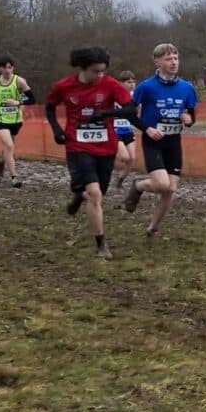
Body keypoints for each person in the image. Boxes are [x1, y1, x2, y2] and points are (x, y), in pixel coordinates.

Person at [44, 45, 135, 258]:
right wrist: (56, 130)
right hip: (77, 146)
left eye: (103, 70)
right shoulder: (64, 86)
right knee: (95, 194)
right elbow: (49, 107)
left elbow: (131, 108)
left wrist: (105, 113)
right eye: (96, 71)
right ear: (83, 68)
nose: (100, 75)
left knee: (98, 194)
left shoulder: (110, 84)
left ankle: (79, 195)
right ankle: (101, 244)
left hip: (106, 147)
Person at [122, 43, 200, 238]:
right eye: (168, 59)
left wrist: (189, 120)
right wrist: (147, 129)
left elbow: (191, 115)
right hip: (153, 142)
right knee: (162, 184)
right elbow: (129, 113)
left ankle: (153, 228)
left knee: (170, 189)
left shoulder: (187, 88)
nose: (174, 62)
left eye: (176, 58)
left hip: (173, 143)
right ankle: (138, 185)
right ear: (157, 62)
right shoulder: (146, 87)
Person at [0, 58, 29, 185]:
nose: (7, 70)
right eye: (4, 67)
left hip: (15, 119)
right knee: (9, 145)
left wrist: (18, 102)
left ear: (13, 68)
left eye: (10, 67)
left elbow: (31, 98)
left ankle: (1, 164)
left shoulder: (19, 81)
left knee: (8, 149)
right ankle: (14, 177)